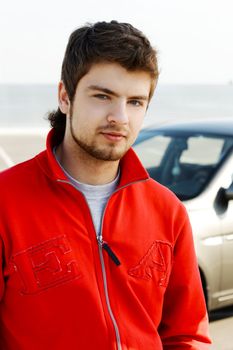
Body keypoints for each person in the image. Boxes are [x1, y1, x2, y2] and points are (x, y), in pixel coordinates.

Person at [0, 21, 211, 349]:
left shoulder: (168, 211)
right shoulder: (6, 201)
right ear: (65, 97)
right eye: (103, 96)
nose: (120, 117)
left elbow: (186, 334)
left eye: (135, 102)